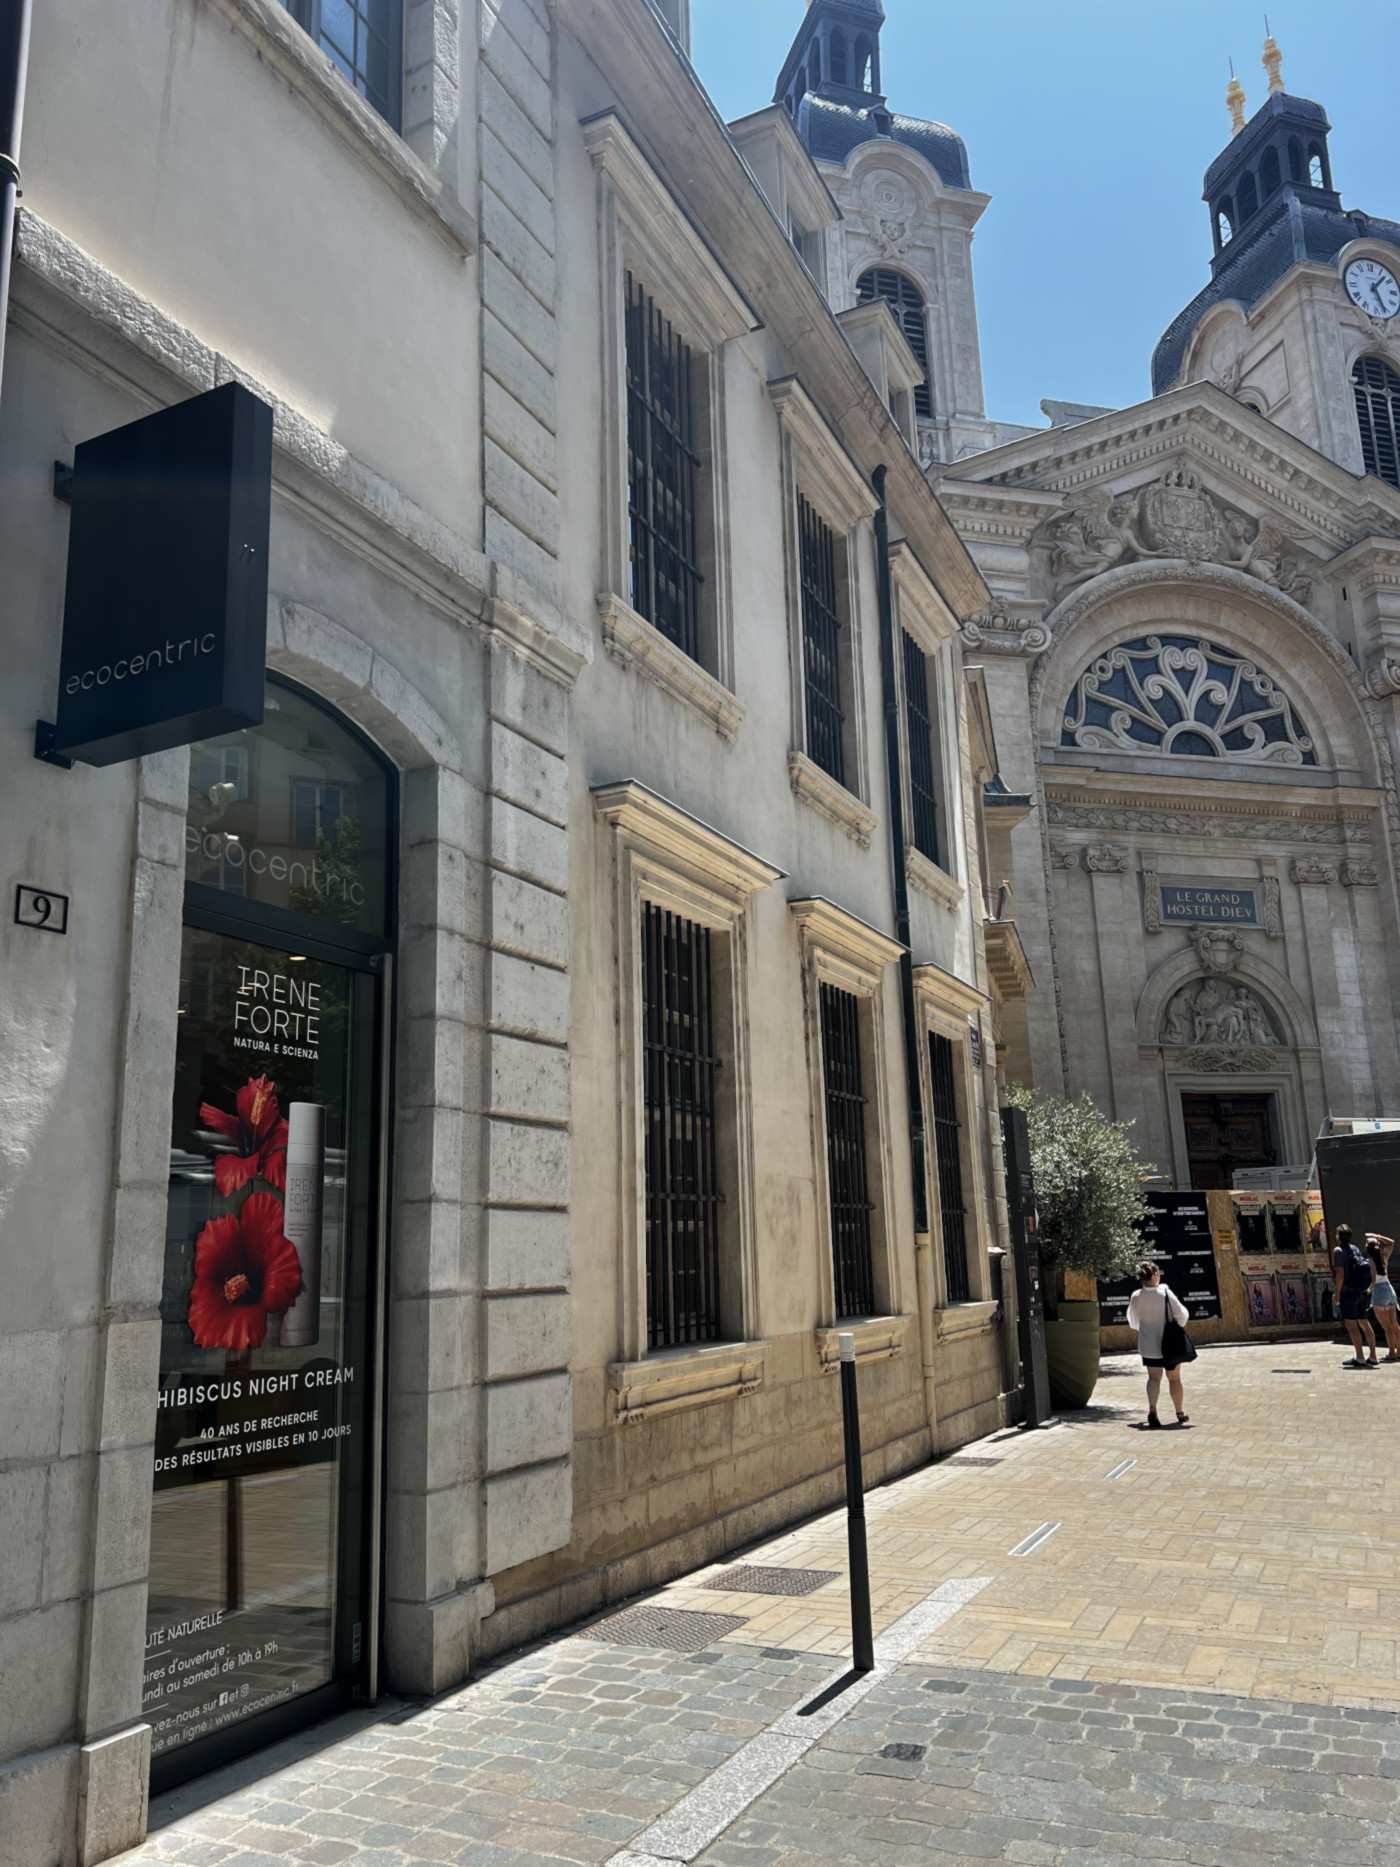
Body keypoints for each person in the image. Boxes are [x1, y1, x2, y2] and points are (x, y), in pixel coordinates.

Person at [1126, 1260, 1190, 1429]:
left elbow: (1133, 1323)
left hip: (1149, 1345)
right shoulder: (1165, 1293)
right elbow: (1182, 1316)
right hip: (1170, 1344)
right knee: (1174, 1378)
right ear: (1155, 1276)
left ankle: (1153, 1409)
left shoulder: (1136, 1296)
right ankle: (1179, 1412)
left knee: (1153, 1377)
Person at [1333, 1223, 1379, 1368]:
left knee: (1351, 1324)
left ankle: (1360, 1357)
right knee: (1364, 1322)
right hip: (1360, 1291)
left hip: (1348, 1292)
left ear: (1338, 1237)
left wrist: (1337, 1292)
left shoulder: (1338, 1250)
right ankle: (1373, 1356)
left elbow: (1340, 1273)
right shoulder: (1355, 1248)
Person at [1365, 1233, 1400, 1362]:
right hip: (1389, 1289)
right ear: (1378, 1247)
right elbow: (1391, 1242)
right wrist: (1377, 1236)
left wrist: (1368, 1290)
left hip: (1379, 1291)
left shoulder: (1369, 1262)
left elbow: (1372, 1280)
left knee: (1386, 1326)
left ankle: (1391, 1352)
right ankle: (1399, 1351)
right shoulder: (1384, 1256)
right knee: (1394, 1324)